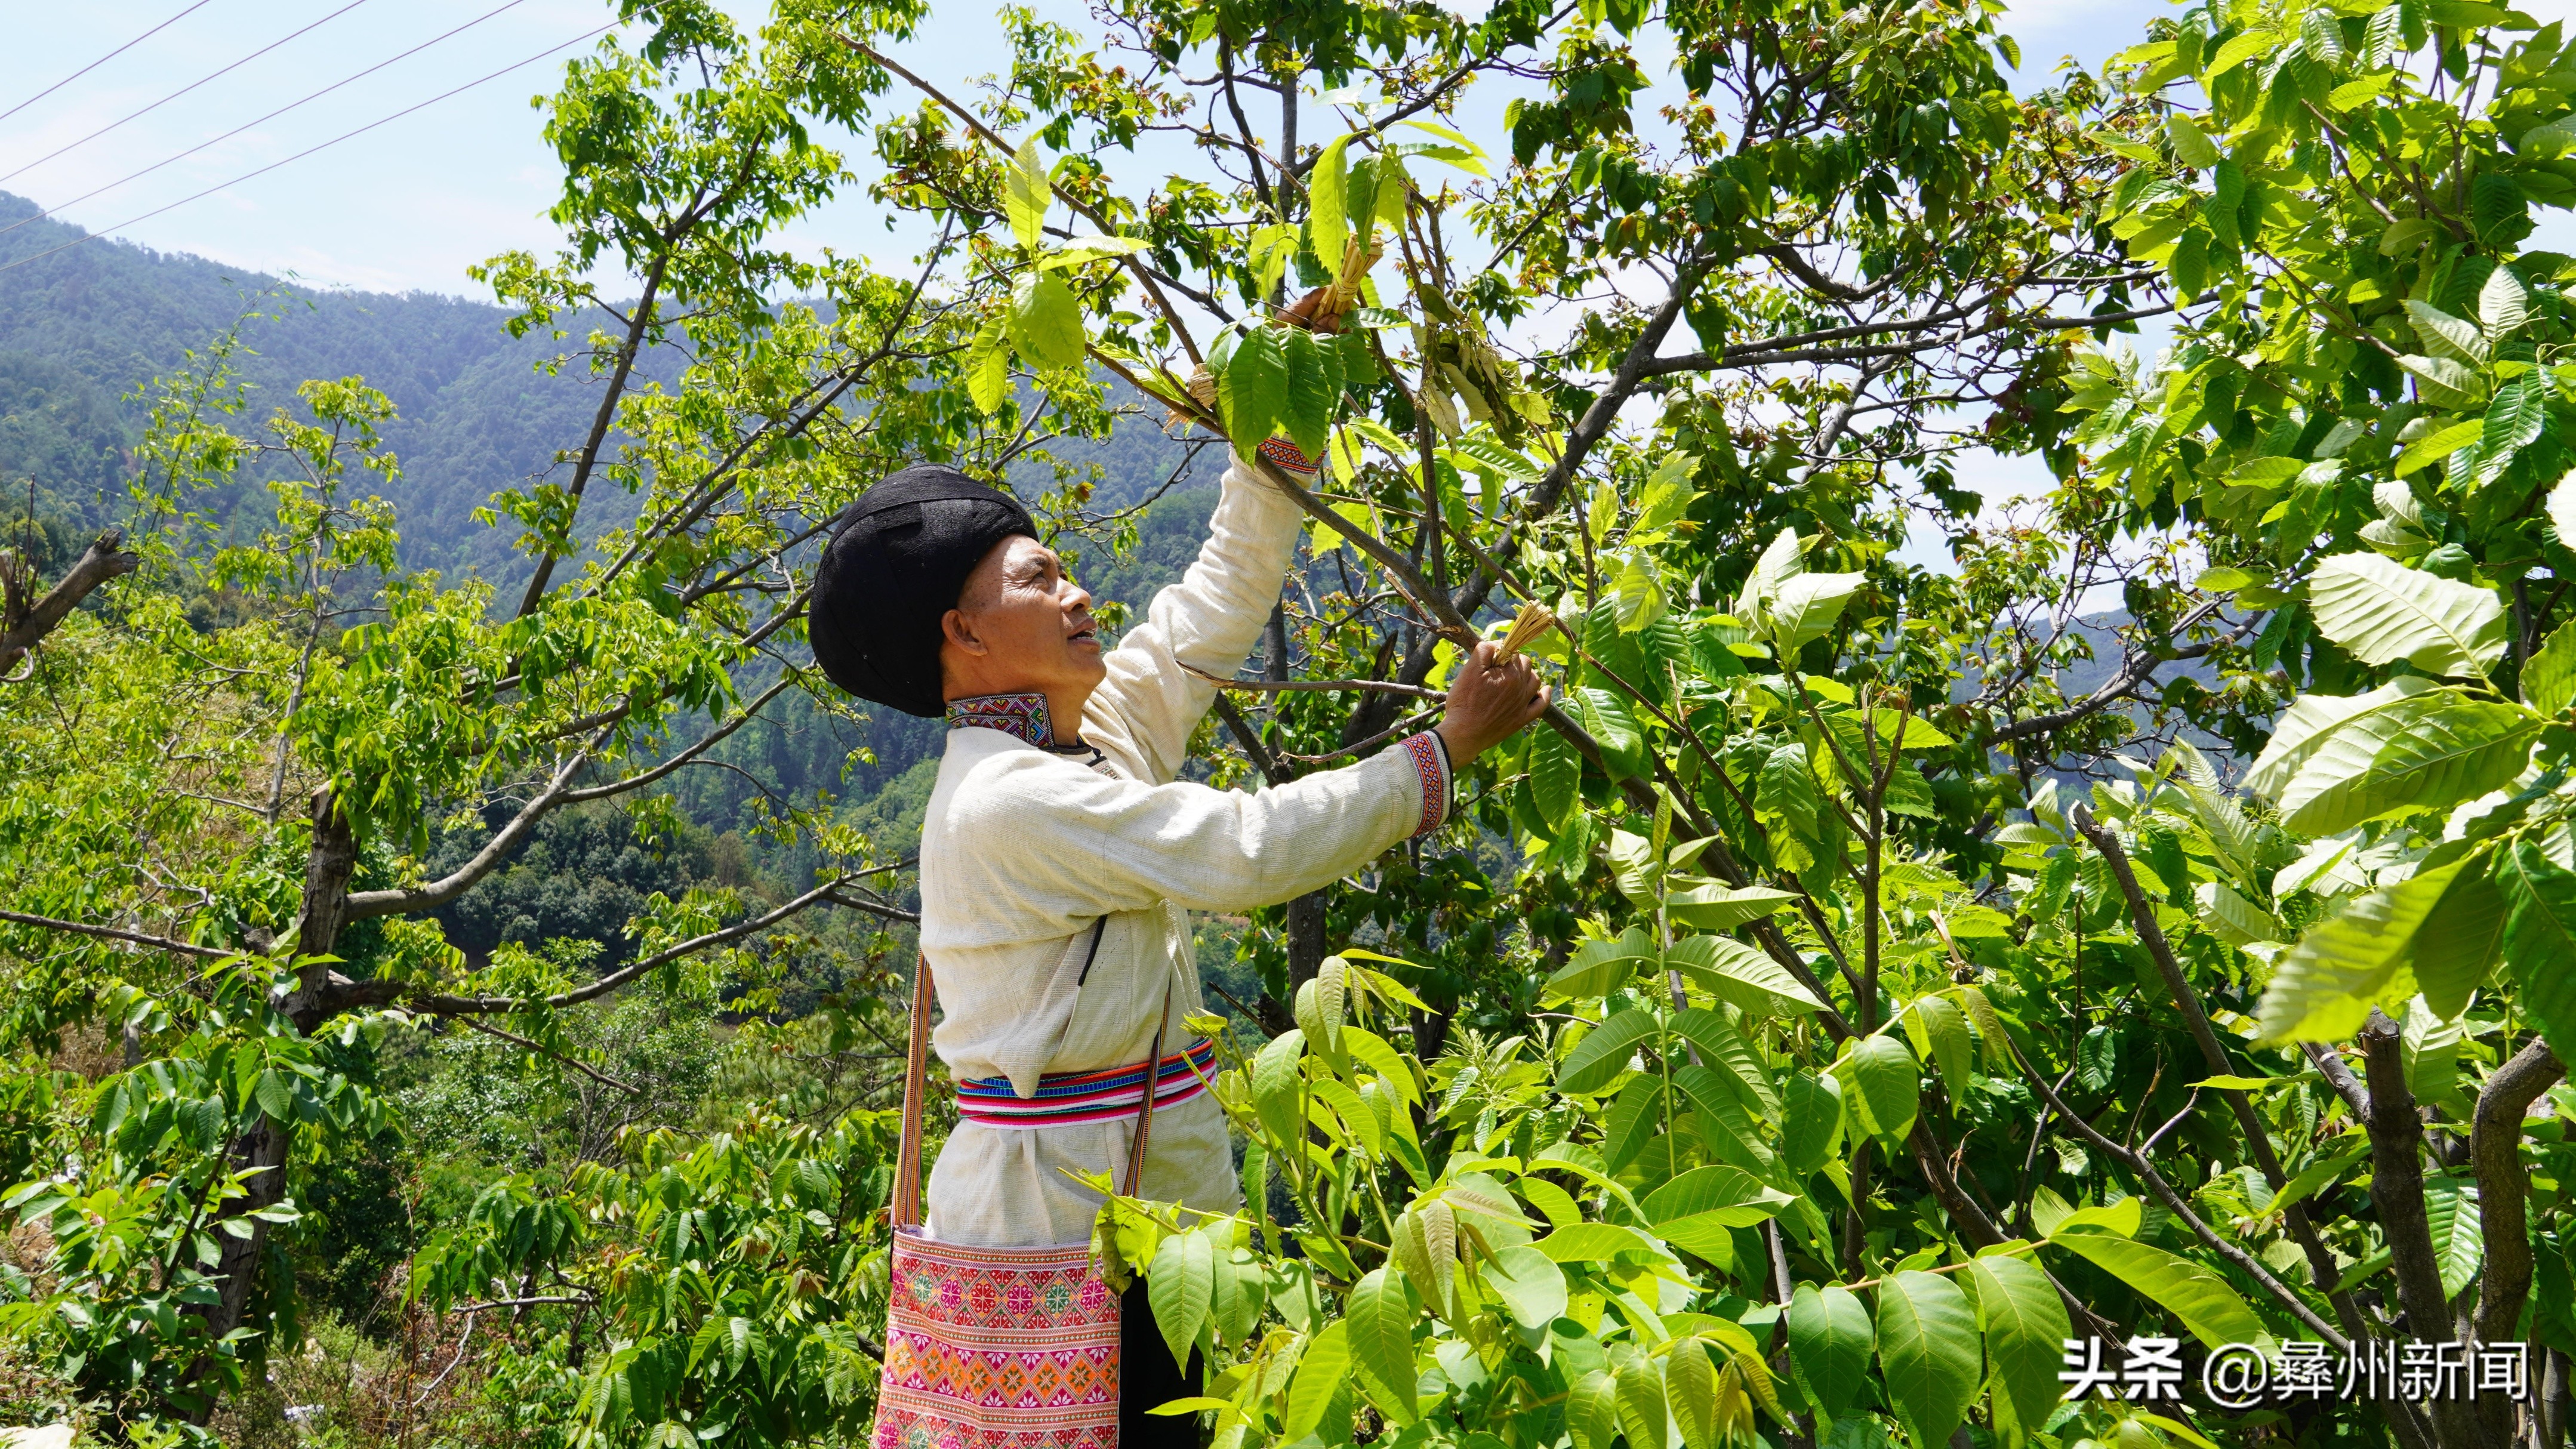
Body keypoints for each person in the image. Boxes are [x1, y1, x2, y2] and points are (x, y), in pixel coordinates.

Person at [806, 343, 1548, 1448]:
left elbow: (1210, 611)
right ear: (961, 636)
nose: (1077, 594)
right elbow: (1242, 852)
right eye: (1037, 580)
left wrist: (1278, 414)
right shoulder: (1005, 799)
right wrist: (1439, 754)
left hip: (1162, 1191)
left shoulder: (1086, 740)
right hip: (1058, 1225)